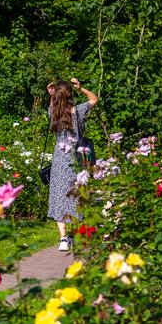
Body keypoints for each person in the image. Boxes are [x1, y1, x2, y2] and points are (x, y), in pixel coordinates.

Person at [47, 78, 98, 251]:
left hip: (59, 160)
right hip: (76, 159)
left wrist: (52, 95)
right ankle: (76, 234)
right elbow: (94, 99)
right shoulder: (78, 111)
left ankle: (63, 239)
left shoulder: (53, 113)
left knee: (59, 195)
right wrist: (81, 88)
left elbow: (53, 105)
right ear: (70, 94)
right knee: (77, 196)